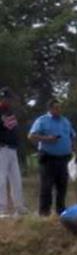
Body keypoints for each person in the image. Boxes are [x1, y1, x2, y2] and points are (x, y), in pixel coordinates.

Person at [28, 98, 77, 216]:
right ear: (50, 109)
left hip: (63, 158)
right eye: (56, 108)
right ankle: (44, 212)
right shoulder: (42, 121)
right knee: (47, 186)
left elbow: (72, 136)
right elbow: (31, 136)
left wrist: (76, 153)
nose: (58, 110)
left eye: (59, 107)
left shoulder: (65, 121)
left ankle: (61, 211)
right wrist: (47, 139)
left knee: (62, 186)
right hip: (48, 158)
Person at [0, 88, 27, 216]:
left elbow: (13, 129)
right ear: (3, 98)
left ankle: (19, 206)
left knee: (16, 179)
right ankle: (1, 208)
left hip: (12, 149)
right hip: (2, 148)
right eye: (8, 98)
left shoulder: (9, 112)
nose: (10, 101)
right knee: (1, 179)